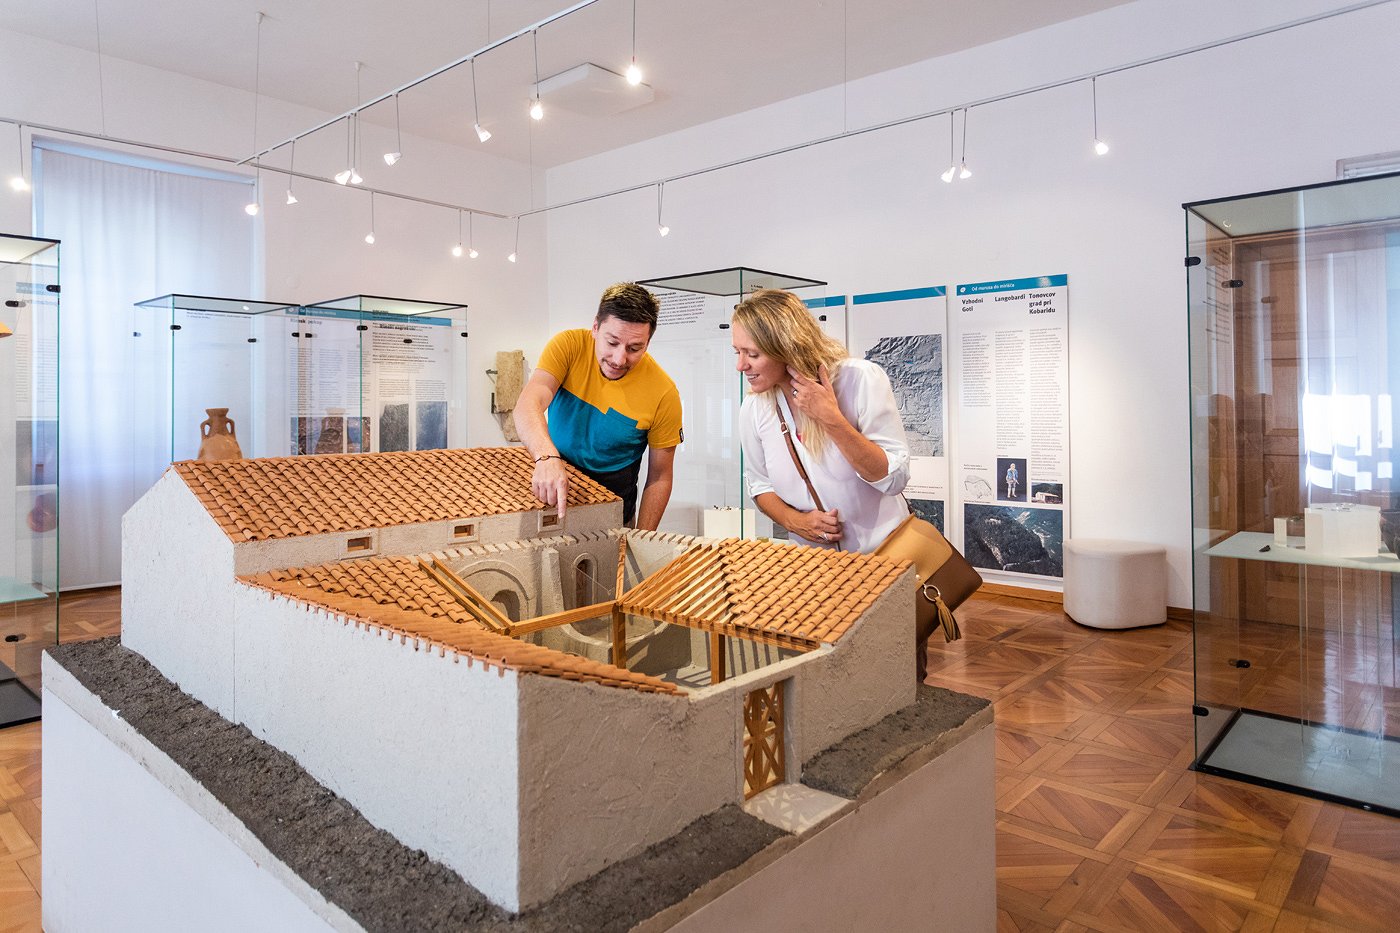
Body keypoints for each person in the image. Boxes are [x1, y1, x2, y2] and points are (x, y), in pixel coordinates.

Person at [732, 289, 910, 554]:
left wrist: (831, 419)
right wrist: (796, 522)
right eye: (737, 352)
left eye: (753, 355)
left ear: (786, 347)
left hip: (887, 556)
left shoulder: (859, 379)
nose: (740, 365)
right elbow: (760, 484)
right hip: (815, 568)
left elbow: (894, 480)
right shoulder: (755, 407)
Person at [514, 282, 682, 530]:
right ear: (595, 327)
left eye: (635, 348)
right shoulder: (568, 346)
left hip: (615, 512)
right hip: (552, 498)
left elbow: (660, 477)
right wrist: (546, 457)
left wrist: (643, 540)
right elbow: (528, 403)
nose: (619, 359)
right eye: (612, 342)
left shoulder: (663, 393)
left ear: (648, 341)